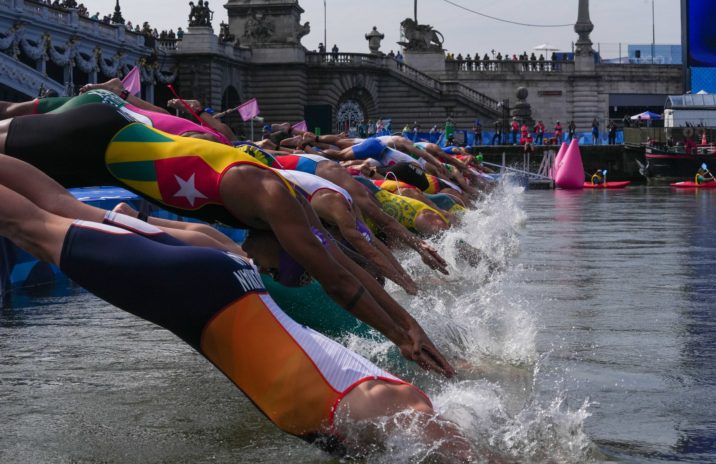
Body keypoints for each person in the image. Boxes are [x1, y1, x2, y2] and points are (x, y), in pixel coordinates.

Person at [0, 181, 472, 461]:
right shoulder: (394, 412)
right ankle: (130, 222)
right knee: (30, 225)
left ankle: (129, 220)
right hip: (206, 298)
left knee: (50, 210)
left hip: (229, 279)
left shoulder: (378, 410)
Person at [0, 104, 454, 376]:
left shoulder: (292, 204)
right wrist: (400, 338)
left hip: (114, 141)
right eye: (281, 268)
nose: (272, 271)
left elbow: (344, 266)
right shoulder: (278, 200)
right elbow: (336, 281)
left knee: (59, 203)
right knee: (54, 206)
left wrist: (409, 325)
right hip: (101, 142)